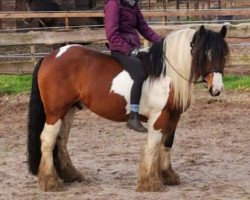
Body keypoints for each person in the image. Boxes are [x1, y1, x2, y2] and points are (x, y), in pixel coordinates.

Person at [104, 0, 162, 133]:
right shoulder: (114, 4)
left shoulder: (133, 5)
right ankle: (133, 116)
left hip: (133, 47)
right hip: (119, 49)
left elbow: (144, 28)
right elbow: (112, 34)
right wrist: (129, 50)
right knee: (139, 73)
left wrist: (162, 42)